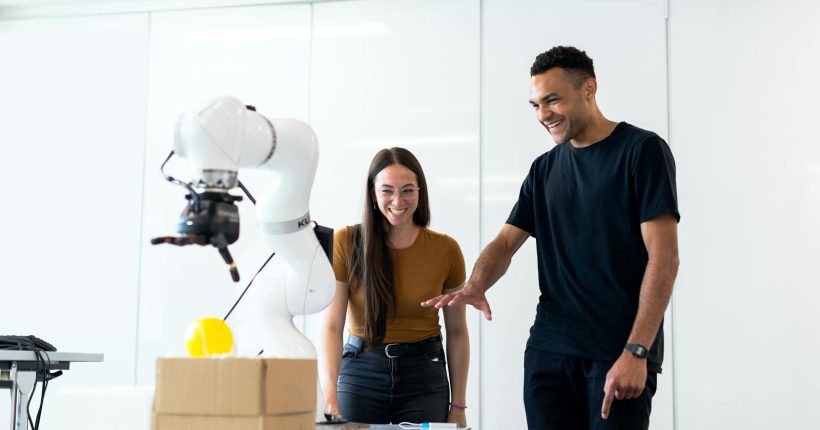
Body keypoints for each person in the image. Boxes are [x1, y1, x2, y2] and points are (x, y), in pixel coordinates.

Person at [423, 46, 680, 430]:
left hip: (617, 353)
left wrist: (637, 350)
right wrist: (476, 283)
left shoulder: (641, 151)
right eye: (536, 104)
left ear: (589, 89)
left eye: (553, 100)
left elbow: (664, 258)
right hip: (549, 353)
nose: (543, 115)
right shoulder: (544, 169)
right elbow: (506, 243)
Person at [319, 147, 469, 426]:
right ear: (373, 194)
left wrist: (458, 405)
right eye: (387, 190)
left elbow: (458, 331)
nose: (398, 201)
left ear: (420, 192)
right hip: (361, 370)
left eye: (407, 190)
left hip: (424, 374)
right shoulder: (346, 241)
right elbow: (331, 326)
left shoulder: (446, 249)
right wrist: (329, 395)